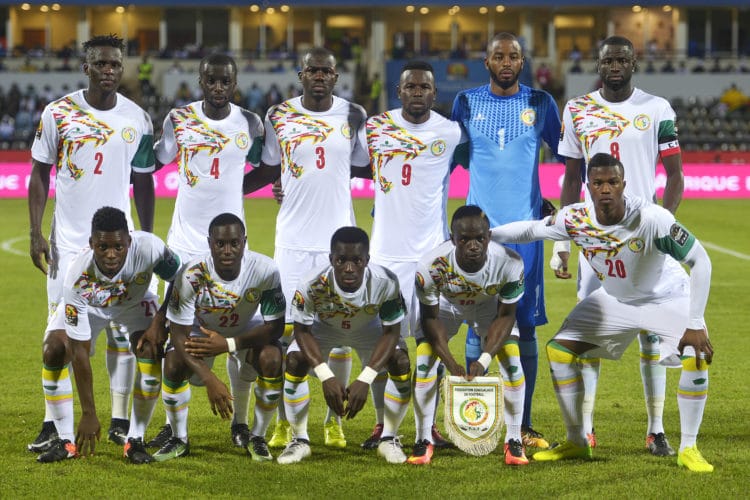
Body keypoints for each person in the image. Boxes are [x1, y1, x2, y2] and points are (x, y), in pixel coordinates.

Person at [491, 153, 714, 473]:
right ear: (588, 187)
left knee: (697, 352)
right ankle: (577, 440)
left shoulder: (653, 218)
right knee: (560, 350)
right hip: (616, 299)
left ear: (624, 184)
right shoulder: (575, 218)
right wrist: (487, 235)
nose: (605, 189)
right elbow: (530, 230)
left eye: (612, 182)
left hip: (665, 296)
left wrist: (694, 323)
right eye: (598, 183)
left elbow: (700, 260)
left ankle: (689, 447)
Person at [28, 33, 156, 457]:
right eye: (100, 63)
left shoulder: (138, 118)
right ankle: (54, 425)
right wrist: (35, 230)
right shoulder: (58, 114)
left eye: (115, 64)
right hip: (67, 248)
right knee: (61, 341)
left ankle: (121, 421)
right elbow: (40, 173)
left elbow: (143, 181)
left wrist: (146, 239)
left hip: (120, 250)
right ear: (86, 67)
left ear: (122, 69)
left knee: (125, 338)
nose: (108, 70)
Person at [556, 35, 685, 456]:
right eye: (607, 59)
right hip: (594, 243)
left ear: (634, 64)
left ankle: (656, 430)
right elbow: (572, 180)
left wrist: (663, 227)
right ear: (598, 64)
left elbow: (675, 175)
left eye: (622, 59)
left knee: (651, 335)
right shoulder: (577, 109)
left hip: (643, 241)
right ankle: (587, 431)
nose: (614, 66)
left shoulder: (657, 108)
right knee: (590, 333)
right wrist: (563, 243)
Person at [243, 47, 369, 449]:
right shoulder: (278, 115)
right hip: (293, 242)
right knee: (284, 335)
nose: (319, 76)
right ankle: (285, 422)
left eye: (326, 70)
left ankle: (335, 422)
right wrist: (238, 189)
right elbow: (269, 168)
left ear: (336, 76)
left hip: (340, 242)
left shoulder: (354, 115)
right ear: (301, 75)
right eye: (312, 70)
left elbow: (366, 165)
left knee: (341, 332)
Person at [148, 52, 266, 451]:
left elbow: (268, 166)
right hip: (183, 245)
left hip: (231, 246)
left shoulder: (249, 123)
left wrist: (236, 193)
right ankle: (172, 427)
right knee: (172, 335)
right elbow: (155, 160)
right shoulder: (178, 119)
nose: (218, 87)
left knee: (237, 327)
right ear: (200, 80)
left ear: (235, 83)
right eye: (211, 80)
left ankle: (241, 422)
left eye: (225, 81)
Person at [451, 31, 564, 450]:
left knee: (526, 328)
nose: (505, 62)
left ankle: (526, 423)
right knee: (477, 327)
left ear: (523, 62)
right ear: (486, 61)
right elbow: (451, 158)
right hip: (477, 238)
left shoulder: (541, 104)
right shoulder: (465, 103)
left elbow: (568, 154)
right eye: (497, 55)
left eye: (512, 56)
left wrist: (555, 204)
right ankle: (474, 424)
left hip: (527, 237)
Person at [357, 60, 466, 453]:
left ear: (434, 94)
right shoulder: (375, 127)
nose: (417, 92)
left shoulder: (451, 132)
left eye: (424, 87)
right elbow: (347, 165)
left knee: (428, 345)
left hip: (430, 257)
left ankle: (428, 426)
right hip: (385, 256)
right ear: (398, 91)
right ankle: (381, 424)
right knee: (385, 344)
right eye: (410, 87)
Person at [36, 206, 181, 464]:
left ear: (129, 240)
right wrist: (89, 413)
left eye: (118, 247)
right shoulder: (77, 276)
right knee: (54, 349)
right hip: (91, 307)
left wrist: (160, 319)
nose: (111, 254)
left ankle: (134, 440)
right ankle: (66, 441)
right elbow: (79, 351)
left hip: (134, 304)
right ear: (92, 243)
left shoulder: (150, 248)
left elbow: (178, 276)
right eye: (103, 247)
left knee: (151, 350)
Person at [140, 213, 285, 462]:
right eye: (220, 244)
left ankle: (257, 437)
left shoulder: (265, 269)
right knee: (173, 363)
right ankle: (178, 438)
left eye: (234, 243)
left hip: (245, 331)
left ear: (244, 242)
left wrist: (228, 344)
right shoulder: (191, 274)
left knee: (272, 357)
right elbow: (177, 334)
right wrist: (209, 379)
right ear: (210, 243)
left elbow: (275, 328)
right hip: (201, 331)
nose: (227, 250)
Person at [276, 227, 412, 465]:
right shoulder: (311, 283)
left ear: (367, 261)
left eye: (356, 261)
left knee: (400, 361)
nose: (349, 268)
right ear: (331, 260)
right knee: (295, 360)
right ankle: (300, 440)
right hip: (324, 329)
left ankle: (388, 438)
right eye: (341, 261)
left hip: (368, 329)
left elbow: (391, 333)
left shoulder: (386, 281)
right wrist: (325, 376)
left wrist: (365, 378)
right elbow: (302, 331)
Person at [412, 206, 528, 466]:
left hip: (488, 306)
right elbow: (430, 319)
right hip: (447, 305)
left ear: (489, 236)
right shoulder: (430, 264)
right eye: (464, 239)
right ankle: (423, 440)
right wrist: (450, 363)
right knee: (424, 361)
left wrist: (485, 359)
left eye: (480, 238)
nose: (473, 245)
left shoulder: (510, 262)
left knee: (511, 359)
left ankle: (513, 441)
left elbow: (506, 316)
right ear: (452, 239)